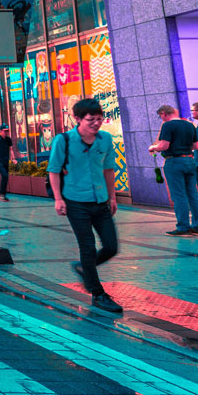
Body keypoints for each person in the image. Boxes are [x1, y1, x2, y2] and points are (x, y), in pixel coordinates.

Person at [49, 98, 124, 312]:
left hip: (100, 201)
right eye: (91, 120)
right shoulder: (63, 140)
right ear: (78, 119)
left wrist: (112, 197)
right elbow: (54, 170)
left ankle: (84, 268)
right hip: (75, 201)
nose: (96, 123)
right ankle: (98, 294)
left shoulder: (105, 139)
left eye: (99, 119)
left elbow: (108, 169)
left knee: (111, 247)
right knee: (87, 246)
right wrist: (58, 199)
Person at [149, 104, 198, 235]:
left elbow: (164, 145)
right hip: (190, 161)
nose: (162, 119)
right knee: (193, 194)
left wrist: (153, 147)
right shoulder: (190, 125)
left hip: (174, 162)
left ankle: (183, 227)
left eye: (161, 116)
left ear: (163, 113)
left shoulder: (168, 125)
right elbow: (195, 146)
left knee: (179, 195)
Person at [0, 124, 16, 201]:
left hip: (5, 160)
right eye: (5, 131)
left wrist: (13, 158)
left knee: (5, 176)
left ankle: (3, 195)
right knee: (4, 175)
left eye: (7, 131)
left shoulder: (8, 139)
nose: (6, 132)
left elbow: (11, 149)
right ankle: (1, 195)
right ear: (1, 131)